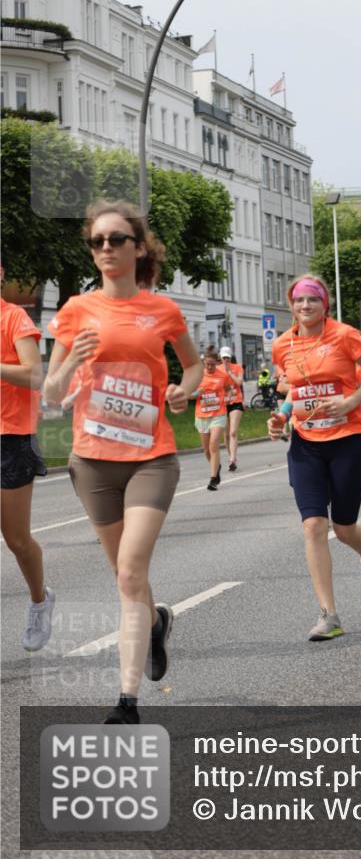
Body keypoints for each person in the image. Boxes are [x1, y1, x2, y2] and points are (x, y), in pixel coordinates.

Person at [44, 200, 203, 724]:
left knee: (132, 570)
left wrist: (184, 388)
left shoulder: (163, 310)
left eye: (116, 239)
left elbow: (195, 364)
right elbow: (51, 390)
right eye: (97, 242)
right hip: (92, 461)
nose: (106, 249)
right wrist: (71, 358)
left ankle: (127, 699)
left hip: (150, 459)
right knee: (126, 578)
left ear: (139, 247)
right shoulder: (76, 310)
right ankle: (155, 622)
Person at [268, 275, 361, 641]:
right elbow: (298, 389)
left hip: (347, 439)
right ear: (291, 305)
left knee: (344, 527)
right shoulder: (283, 345)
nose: (305, 306)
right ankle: (329, 615)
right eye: (299, 300)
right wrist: (282, 417)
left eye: (312, 300)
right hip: (306, 444)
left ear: (325, 304)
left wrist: (351, 402)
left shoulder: (345, 335)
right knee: (314, 525)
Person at [1, 288, 53, 651]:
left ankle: (39, 599)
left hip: (10, 438)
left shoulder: (13, 318)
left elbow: (35, 373)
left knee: (17, 540)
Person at [193, 345, 229, 490]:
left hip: (218, 414)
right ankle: (216, 466)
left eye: (212, 364)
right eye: (207, 364)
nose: (209, 367)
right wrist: (197, 393)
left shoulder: (222, 376)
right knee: (207, 450)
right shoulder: (198, 375)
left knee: (214, 444)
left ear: (217, 363)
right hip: (201, 416)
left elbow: (227, 389)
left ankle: (213, 479)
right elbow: (189, 393)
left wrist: (225, 397)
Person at [219, 346, 244, 471]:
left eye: (227, 358)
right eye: (223, 358)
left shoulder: (237, 367)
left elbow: (239, 382)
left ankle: (233, 458)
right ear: (220, 358)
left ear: (231, 357)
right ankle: (230, 458)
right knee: (226, 434)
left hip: (236, 402)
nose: (225, 360)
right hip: (222, 404)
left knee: (233, 431)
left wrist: (229, 372)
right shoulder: (217, 369)